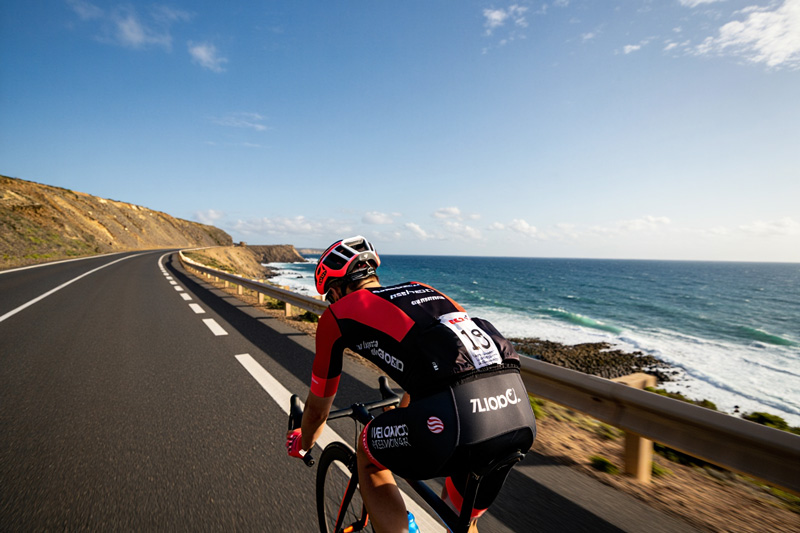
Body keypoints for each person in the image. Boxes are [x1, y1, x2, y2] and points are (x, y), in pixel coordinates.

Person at [286, 236, 536, 533]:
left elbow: (317, 411)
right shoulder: (427, 290)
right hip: (517, 416)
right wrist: (405, 409)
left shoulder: (336, 316)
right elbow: (448, 362)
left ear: (338, 289)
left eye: (329, 295)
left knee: (368, 452)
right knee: (460, 520)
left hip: (455, 419)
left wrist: (304, 442)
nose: (330, 302)